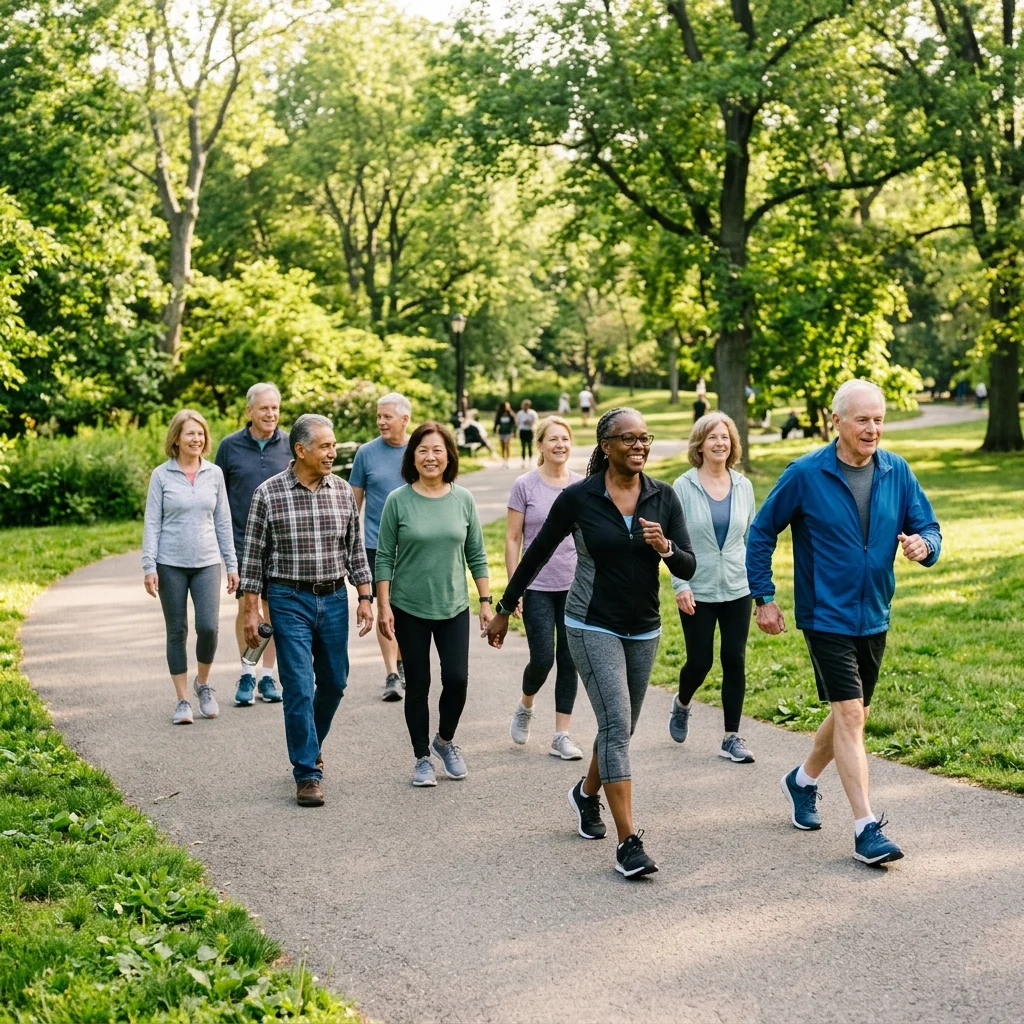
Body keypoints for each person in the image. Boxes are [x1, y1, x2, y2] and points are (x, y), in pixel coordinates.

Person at [487, 408, 695, 879]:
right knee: (617, 725)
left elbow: (688, 566)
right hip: (589, 622)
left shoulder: (664, 497)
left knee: (621, 728)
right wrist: (504, 607)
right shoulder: (580, 498)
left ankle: (585, 794)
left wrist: (664, 548)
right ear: (605, 446)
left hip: (643, 626)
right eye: (628, 439)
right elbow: (537, 553)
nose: (639, 446)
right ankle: (628, 843)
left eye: (645, 437)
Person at [747, 379, 942, 866]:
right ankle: (865, 829)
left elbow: (929, 527)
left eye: (878, 419)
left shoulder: (897, 470)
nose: (873, 428)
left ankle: (802, 780)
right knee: (852, 715)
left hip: (874, 611)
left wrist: (926, 547)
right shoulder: (806, 473)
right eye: (862, 419)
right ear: (836, 421)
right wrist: (764, 597)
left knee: (849, 714)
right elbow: (761, 533)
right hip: (825, 614)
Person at [239, 414, 373, 807]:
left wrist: (364, 597)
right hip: (288, 599)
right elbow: (253, 559)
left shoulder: (343, 492)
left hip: (333, 598)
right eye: (325, 446)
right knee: (297, 685)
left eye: (333, 446)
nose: (333, 453)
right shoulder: (268, 493)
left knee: (335, 682)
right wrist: (251, 610)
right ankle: (307, 772)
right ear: (301, 450)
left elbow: (354, 551)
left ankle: (308, 740)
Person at [376, 423, 493, 787]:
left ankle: (444, 741)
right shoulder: (398, 500)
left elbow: (476, 553)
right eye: (423, 450)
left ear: (449, 456)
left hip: (454, 605)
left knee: (457, 679)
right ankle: (421, 757)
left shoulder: (463, 499)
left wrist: (486, 602)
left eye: (437, 450)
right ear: (413, 456)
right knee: (420, 682)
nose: (430, 457)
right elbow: (383, 557)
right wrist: (383, 606)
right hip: (409, 606)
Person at [668, 413, 757, 762]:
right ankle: (682, 702)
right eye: (712, 438)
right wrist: (680, 584)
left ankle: (731, 737)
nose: (720, 443)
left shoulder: (744, 486)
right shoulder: (683, 486)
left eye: (725, 437)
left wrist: (760, 584)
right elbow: (672, 542)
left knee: (734, 658)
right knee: (700, 662)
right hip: (697, 588)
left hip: (738, 586)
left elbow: (751, 540)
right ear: (699, 445)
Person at [143, 410, 238, 725]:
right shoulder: (161, 475)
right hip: (170, 563)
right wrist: (149, 566)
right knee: (177, 630)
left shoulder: (214, 473)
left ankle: (204, 684)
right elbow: (152, 523)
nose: (196, 439)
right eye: (190, 434)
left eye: (200, 433)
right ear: (177, 439)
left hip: (207, 562)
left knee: (209, 627)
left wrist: (232, 564)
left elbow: (223, 521)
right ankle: (183, 700)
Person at [505, 416, 584, 760]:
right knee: (542, 658)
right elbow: (512, 539)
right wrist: (514, 588)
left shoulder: (582, 486)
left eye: (564, 439)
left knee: (570, 660)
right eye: (552, 439)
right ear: (540, 445)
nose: (559, 445)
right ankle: (525, 705)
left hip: (575, 586)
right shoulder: (525, 485)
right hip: (536, 585)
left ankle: (561, 735)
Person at [215, 382, 291, 707]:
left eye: (275, 408)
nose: (271, 414)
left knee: (272, 608)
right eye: (264, 408)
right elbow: (216, 495)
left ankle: (267, 676)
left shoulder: (291, 444)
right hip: (242, 542)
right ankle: (247, 670)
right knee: (247, 606)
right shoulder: (230, 447)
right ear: (250, 411)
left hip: (281, 544)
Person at [349, 392, 411, 703]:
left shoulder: (419, 451)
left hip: (414, 547)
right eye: (378, 416)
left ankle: (401, 663)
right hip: (376, 546)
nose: (381, 422)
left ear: (405, 420)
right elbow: (352, 504)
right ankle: (391, 672)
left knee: (406, 610)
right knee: (384, 607)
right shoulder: (366, 454)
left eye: (387, 416)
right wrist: (349, 546)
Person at [516, 399, 539, 465]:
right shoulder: (520, 413)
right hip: (523, 430)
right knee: (523, 446)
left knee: (530, 445)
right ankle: (523, 460)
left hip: (530, 430)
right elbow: (517, 422)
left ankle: (530, 459)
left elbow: (535, 421)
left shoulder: (532, 413)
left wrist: (530, 422)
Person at [494, 401, 516, 467]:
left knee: (507, 446)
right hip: (501, 432)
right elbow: (496, 423)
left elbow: (514, 424)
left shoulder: (510, 414)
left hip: (508, 433)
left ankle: (507, 460)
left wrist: (514, 432)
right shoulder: (499, 414)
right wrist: (494, 429)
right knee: (503, 447)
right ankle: (504, 460)